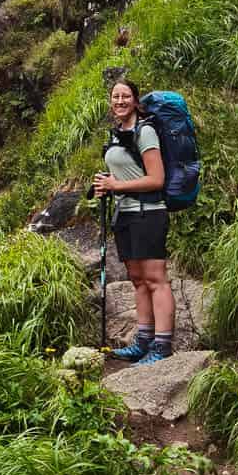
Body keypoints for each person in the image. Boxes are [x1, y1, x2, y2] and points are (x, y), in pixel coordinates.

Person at [92, 78, 174, 364]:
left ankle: (162, 347)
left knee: (155, 279)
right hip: (125, 214)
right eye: (115, 96)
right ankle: (143, 340)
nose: (120, 101)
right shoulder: (117, 134)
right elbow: (123, 176)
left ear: (135, 100)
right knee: (138, 280)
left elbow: (156, 179)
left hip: (149, 213)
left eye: (125, 96)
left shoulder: (146, 132)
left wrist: (117, 186)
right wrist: (107, 186)